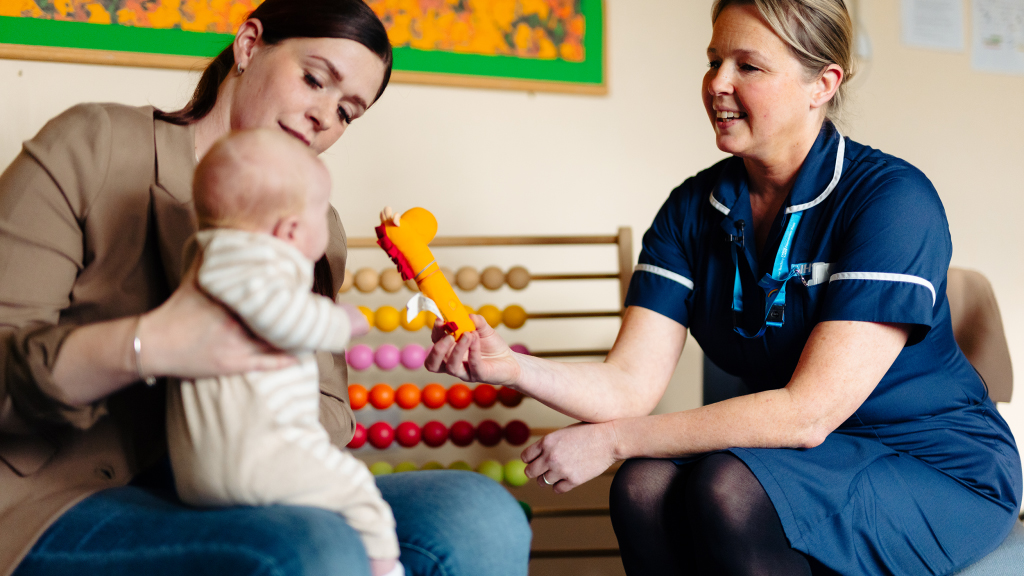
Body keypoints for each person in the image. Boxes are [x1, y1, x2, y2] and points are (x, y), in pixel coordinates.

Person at [425, 1, 1022, 575]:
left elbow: (806, 414)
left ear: (823, 84)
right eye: (714, 60)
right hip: (806, 461)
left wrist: (615, 441)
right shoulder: (692, 209)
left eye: (749, 65)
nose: (717, 83)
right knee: (644, 484)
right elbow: (628, 384)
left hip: (934, 468)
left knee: (724, 485)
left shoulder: (891, 201)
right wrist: (514, 368)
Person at [0, 1, 531, 574]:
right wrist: (151, 342)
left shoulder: (314, 228)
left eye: (348, 112)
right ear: (249, 45)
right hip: (59, 496)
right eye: (313, 79)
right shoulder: (96, 145)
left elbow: (328, 406)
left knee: (480, 512)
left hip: (243, 480)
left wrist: (269, 410)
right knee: (312, 547)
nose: (325, 117)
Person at [166, 129, 401, 576]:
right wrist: (336, 322)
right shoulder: (253, 265)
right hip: (254, 459)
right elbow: (276, 314)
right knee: (357, 489)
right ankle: (386, 569)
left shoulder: (206, 260)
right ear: (292, 230)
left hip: (202, 469)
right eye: (321, 212)